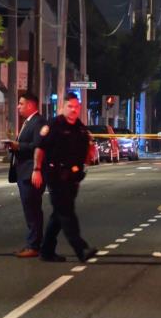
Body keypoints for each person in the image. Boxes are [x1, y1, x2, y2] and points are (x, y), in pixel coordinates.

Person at [34, 93, 98, 263]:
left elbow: (88, 153)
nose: (73, 110)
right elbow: (40, 149)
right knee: (66, 212)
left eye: (76, 107)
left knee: (59, 214)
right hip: (55, 175)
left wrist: (88, 159)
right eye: (70, 106)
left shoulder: (81, 129)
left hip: (73, 177)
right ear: (62, 107)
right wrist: (37, 169)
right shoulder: (53, 126)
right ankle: (81, 248)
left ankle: (46, 250)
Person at [6, 94, 47, 258]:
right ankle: (33, 243)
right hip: (23, 171)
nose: (18, 106)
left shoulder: (38, 122)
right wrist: (13, 147)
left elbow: (38, 146)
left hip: (31, 172)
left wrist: (19, 146)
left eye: (21, 104)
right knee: (30, 210)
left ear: (30, 105)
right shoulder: (28, 122)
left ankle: (34, 245)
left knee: (33, 210)